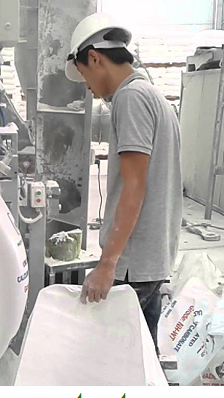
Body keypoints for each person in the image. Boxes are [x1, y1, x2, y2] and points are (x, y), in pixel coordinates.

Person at [66, 13, 182, 352]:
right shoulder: (153, 96)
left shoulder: (130, 98)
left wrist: (107, 264)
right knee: (141, 357)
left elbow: (135, 186)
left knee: (113, 360)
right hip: (150, 259)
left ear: (94, 58)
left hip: (132, 264)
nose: (88, 87)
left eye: (85, 75)